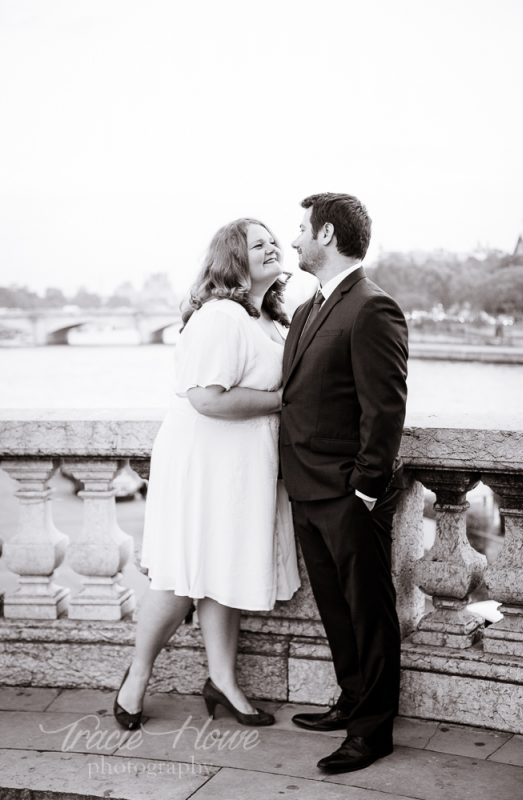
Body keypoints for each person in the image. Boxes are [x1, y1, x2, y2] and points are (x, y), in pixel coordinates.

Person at [114, 218, 300, 730]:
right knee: (181, 574)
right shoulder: (220, 315)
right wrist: (288, 400)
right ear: (233, 259)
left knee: (225, 570)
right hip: (205, 461)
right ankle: (137, 677)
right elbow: (206, 399)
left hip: (244, 464)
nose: (271, 248)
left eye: (273, 241)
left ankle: (223, 682)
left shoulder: (271, 321)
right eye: (256, 243)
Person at [280, 193, 408, 773]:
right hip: (306, 490)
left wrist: (364, 488)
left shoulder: (373, 307)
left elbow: (384, 410)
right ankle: (351, 699)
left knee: (368, 613)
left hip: (348, 495)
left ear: (327, 234)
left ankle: (372, 731)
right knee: (335, 609)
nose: (293, 240)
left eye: (300, 230)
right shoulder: (309, 310)